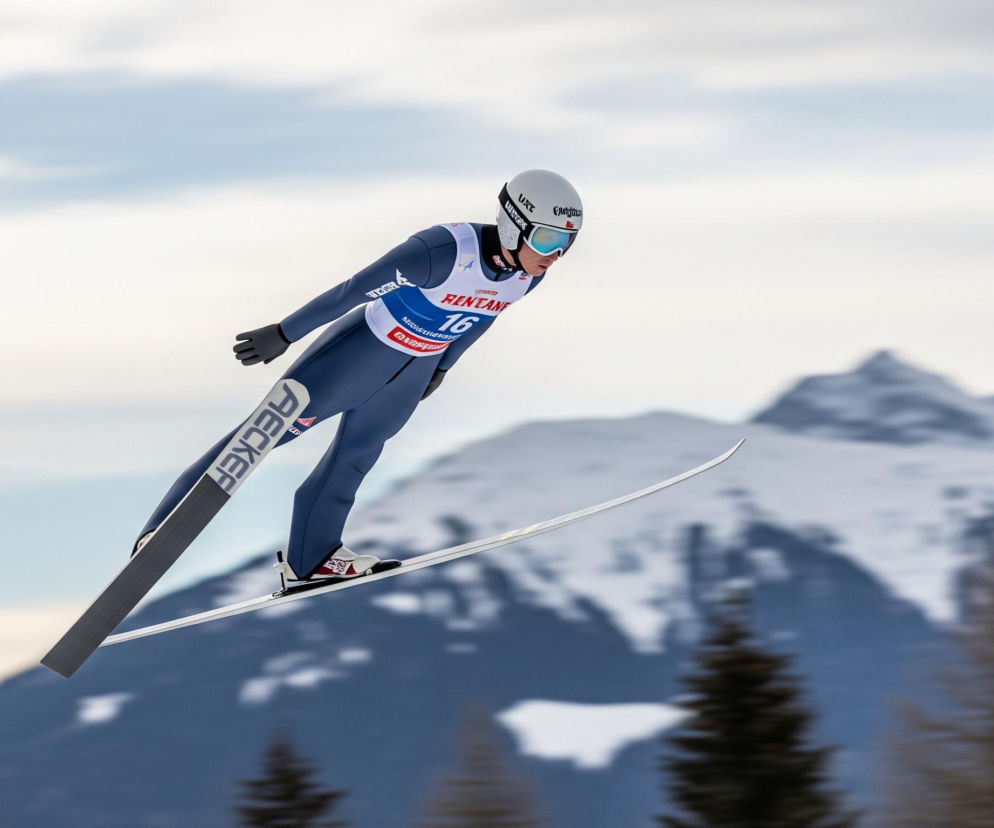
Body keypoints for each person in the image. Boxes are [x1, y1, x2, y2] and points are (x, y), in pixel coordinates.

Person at [133, 170, 584, 583]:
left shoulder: (527, 276)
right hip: (359, 354)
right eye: (546, 239)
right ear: (513, 224)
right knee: (260, 437)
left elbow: (484, 317)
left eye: (567, 243)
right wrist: (284, 333)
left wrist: (444, 367)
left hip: (412, 371)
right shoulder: (441, 252)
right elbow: (352, 291)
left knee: (356, 456)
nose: (554, 256)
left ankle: (312, 558)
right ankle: (163, 528)